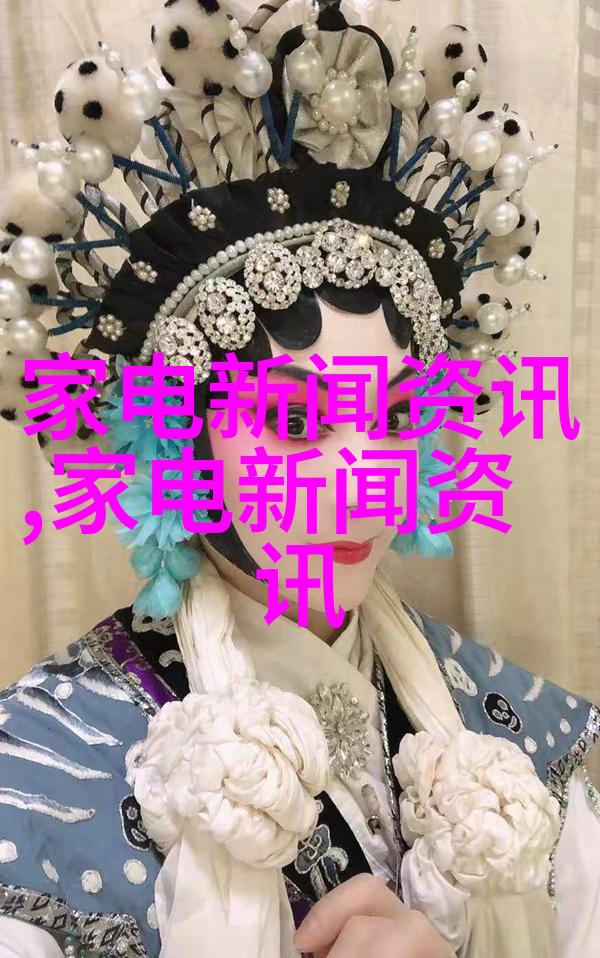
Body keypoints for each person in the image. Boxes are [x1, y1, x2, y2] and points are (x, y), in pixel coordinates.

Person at [0, 2, 597, 957]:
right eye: (292, 421)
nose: (366, 482)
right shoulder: (46, 769)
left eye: (394, 416)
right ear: (178, 440)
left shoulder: (502, 739)